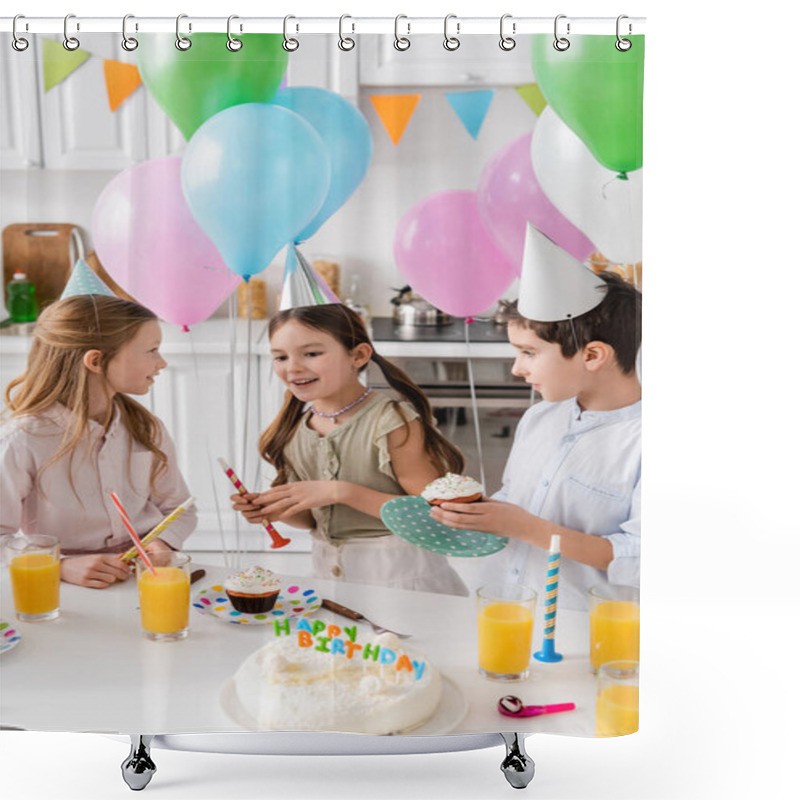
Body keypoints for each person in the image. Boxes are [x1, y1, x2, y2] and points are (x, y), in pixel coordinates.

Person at [431, 271, 641, 610]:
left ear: (592, 356)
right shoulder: (539, 418)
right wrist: (476, 515)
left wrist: (526, 527)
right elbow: (515, 497)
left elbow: (638, 557)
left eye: (529, 352)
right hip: (501, 605)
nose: (517, 368)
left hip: (580, 626)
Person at [231, 303, 469, 596]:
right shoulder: (293, 430)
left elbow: (429, 513)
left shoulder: (392, 421)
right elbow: (312, 519)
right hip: (329, 577)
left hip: (404, 579)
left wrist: (340, 491)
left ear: (358, 355)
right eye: (280, 357)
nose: (292, 367)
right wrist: (276, 511)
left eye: (312, 353)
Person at [0, 295, 197, 589]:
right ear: (96, 360)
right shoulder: (23, 439)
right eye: (152, 351)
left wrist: (163, 543)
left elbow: (180, 509)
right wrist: (60, 566)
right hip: (61, 589)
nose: (162, 362)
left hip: (141, 580)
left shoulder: (146, 428)